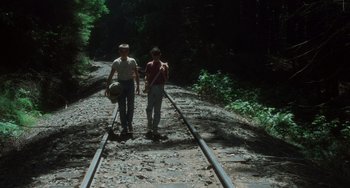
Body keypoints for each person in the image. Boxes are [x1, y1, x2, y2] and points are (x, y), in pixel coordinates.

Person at [106, 44, 140, 134]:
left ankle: (129, 124)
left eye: (126, 51)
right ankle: (124, 126)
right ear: (119, 52)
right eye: (122, 51)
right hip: (120, 86)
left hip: (130, 84)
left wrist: (138, 86)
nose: (124, 53)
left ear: (128, 52)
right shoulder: (116, 62)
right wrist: (107, 88)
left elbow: (136, 74)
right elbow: (111, 75)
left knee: (131, 105)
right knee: (122, 106)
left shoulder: (132, 61)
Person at [144, 46, 169, 140]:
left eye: (157, 55)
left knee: (157, 109)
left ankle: (155, 129)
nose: (155, 57)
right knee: (149, 108)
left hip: (159, 87)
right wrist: (146, 83)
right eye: (154, 55)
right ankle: (149, 125)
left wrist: (162, 72)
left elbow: (166, 79)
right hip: (151, 87)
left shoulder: (164, 65)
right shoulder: (149, 64)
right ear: (152, 55)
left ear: (160, 55)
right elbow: (146, 76)